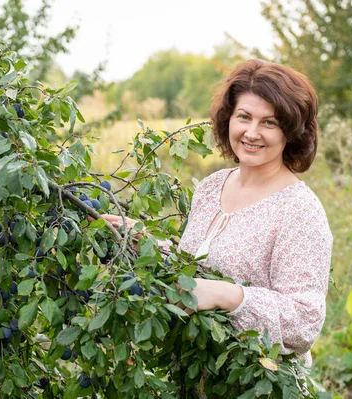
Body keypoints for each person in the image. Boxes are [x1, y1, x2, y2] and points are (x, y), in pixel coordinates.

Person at [102, 59, 333, 367]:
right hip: (197, 371)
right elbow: (196, 271)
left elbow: (304, 322)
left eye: (269, 122)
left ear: (290, 132)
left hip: (258, 381)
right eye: (244, 117)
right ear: (229, 119)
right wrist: (142, 239)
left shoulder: (299, 211)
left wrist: (230, 296)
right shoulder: (212, 187)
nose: (251, 133)